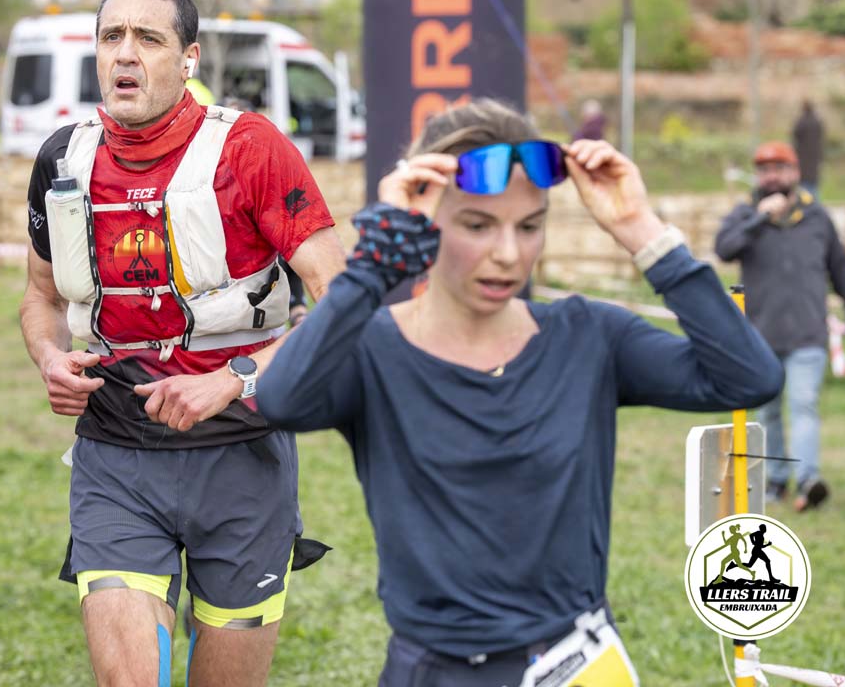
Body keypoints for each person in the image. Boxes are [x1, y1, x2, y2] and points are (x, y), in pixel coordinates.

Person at [251, 98, 782, 686]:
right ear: (425, 218)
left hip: (577, 663)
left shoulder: (588, 336)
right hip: (437, 671)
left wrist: (641, 230)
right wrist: (373, 265)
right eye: (478, 225)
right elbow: (281, 399)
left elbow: (747, 376)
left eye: (529, 226)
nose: (508, 254)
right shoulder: (374, 350)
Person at [19, 0, 345, 687]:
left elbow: (342, 300)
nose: (125, 54)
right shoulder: (63, 158)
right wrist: (48, 354)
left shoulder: (250, 149)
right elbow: (40, 297)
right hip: (116, 454)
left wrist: (234, 379)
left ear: (188, 58)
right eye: (111, 36)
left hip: (242, 458)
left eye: (148, 38)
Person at [715, 141, 845, 512]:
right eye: (765, 170)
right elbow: (724, 249)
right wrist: (759, 219)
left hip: (808, 335)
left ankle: (808, 480)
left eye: (780, 168)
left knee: (803, 404)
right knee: (768, 413)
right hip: (759, 338)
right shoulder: (745, 214)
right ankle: (777, 480)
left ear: (795, 173)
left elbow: (840, 271)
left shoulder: (817, 217)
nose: (772, 176)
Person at [791, 100, 825, 197]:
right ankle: (813, 201)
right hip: (815, 156)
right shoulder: (817, 121)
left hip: (802, 157)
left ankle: (807, 201)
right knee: (813, 183)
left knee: (804, 184)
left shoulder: (801, 122)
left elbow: (795, 135)